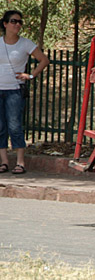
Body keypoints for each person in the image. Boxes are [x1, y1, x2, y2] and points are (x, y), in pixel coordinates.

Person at [0, 10, 49, 175]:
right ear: (5, 24)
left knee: (14, 125)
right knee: (0, 126)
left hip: (15, 90)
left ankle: (20, 162)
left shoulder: (25, 44)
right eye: (13, 21)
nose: (17, 25)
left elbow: (44, 60)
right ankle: (4, 161)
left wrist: (30, 75)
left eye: (20, 22)